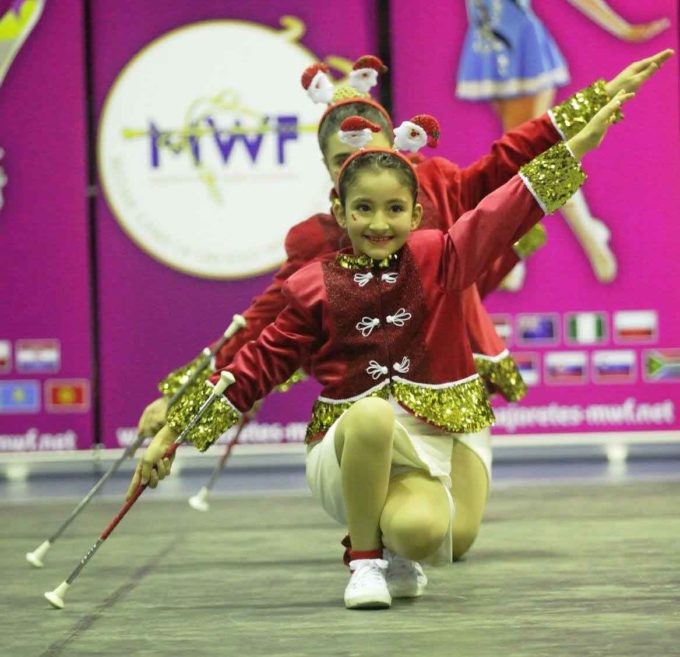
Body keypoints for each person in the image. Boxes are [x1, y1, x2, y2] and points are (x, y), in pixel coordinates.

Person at [136, 50, 671, 566]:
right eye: (346, 164)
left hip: (448, 379)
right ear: (330, 178)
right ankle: (366, 548)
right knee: (394, 483)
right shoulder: (315, 247)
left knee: (449, 544)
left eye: (390, 195)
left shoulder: (439, 195)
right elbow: (260, 337)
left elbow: (509, 171)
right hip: (365, 406)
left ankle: (397, 526)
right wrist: (179, 408)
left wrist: (585, 116)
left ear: (400, 154)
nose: (366, 173)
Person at [456, 0, 670, 288]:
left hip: (523, 51)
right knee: (524, 153)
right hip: (490, 49)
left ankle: (526, 242)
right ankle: (573, 235)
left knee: (529, 153)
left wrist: (622, 29)